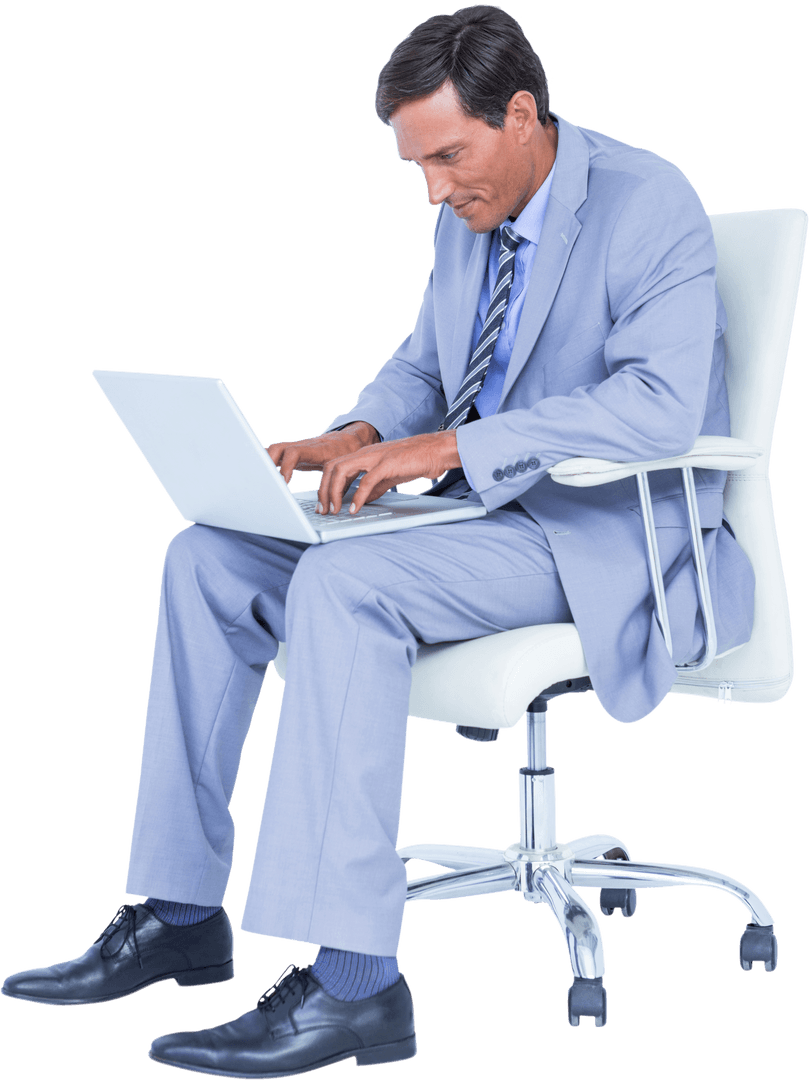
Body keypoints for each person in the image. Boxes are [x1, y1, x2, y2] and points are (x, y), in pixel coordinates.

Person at [1, 4, 755, 1076]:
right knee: (207, 559)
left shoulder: (646, 202)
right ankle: (177, 912)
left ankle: (357, 986)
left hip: (599, 534)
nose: (435, 191)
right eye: (418, 166)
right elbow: (426, 362)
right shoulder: (470, 211)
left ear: (521, 114)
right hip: (475, 522)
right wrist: (355, 434)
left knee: (342, 586)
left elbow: (658, 407)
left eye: (447, 156)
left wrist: (450, 446)